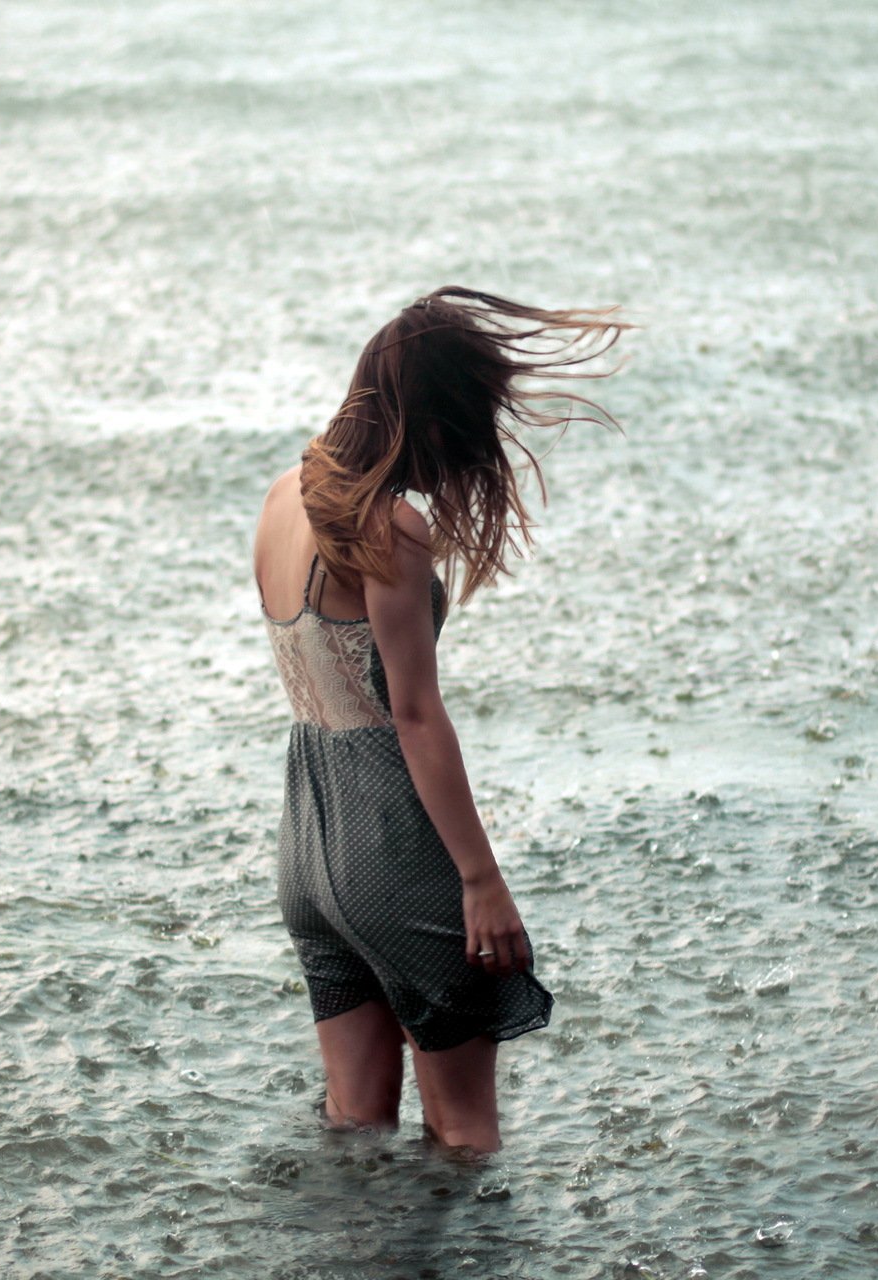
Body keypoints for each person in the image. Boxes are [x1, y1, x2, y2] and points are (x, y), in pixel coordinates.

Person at [252, 286, 629, 1153]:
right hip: (391, 843)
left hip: (307, 847)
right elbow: (415, 717)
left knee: (356, 1127)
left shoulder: (282, 499)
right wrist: (481, 880)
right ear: (436, 415)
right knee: (466, 1135)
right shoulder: (390, 528)